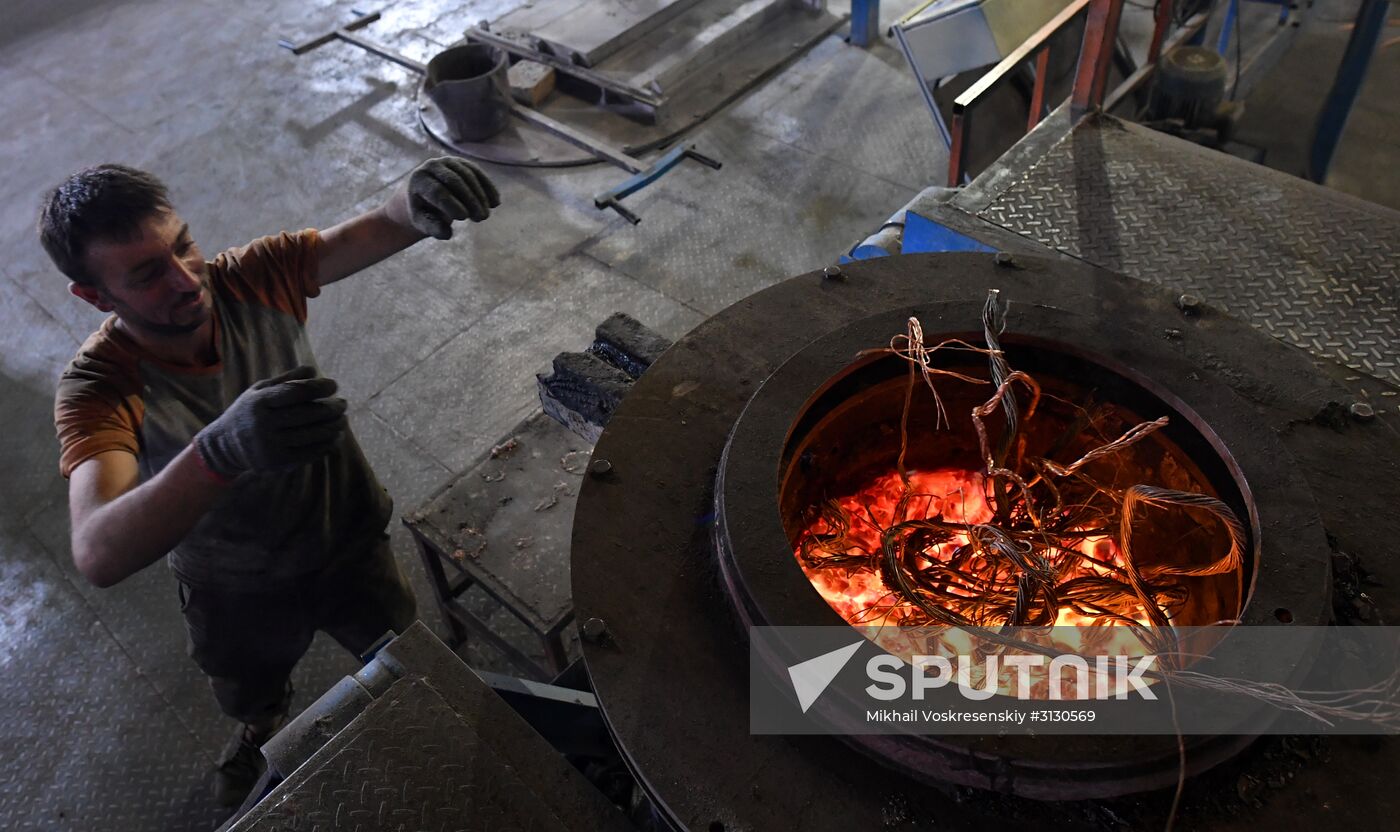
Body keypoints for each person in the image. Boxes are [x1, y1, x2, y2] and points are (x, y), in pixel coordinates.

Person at [39, 157, 500, 806]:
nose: (186, 280)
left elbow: (373, 228)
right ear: (94, 295)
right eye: (146, 274)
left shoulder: (250, 278)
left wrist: (413, 197)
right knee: (246, 682)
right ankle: (261, 726)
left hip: (348, 541)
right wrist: (218, 452)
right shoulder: (98, 386)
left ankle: (404, 680)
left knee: (399, 643)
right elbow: (97, 550)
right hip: (233, 587)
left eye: (183, 246)